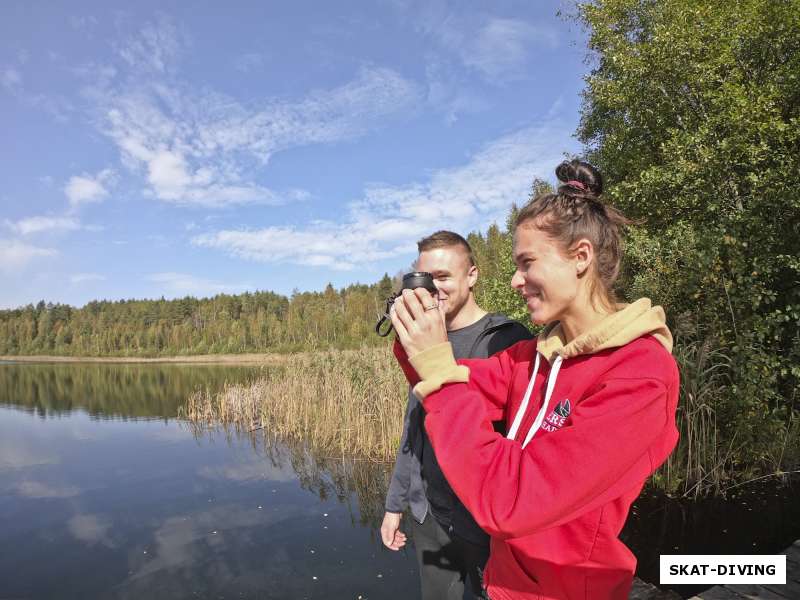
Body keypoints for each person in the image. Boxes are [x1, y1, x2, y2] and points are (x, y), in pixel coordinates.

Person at [388, 160, 680, 600]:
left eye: (527, 263)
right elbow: (456, 382)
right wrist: (413, 333)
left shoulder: (640, 374)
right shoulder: (535, 357)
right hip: (504, 582)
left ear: (580, 257)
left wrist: (437, 368)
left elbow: (514, 503)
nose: (515, 280)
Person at [380, 230, 531, 600]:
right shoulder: (421, 339)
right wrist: (394, 505)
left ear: (472, 275)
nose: (434, 289)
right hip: (429, 512)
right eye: (425, 279)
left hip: (485, 521)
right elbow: (413, 427)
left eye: (444, 277)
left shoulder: (507, 339)